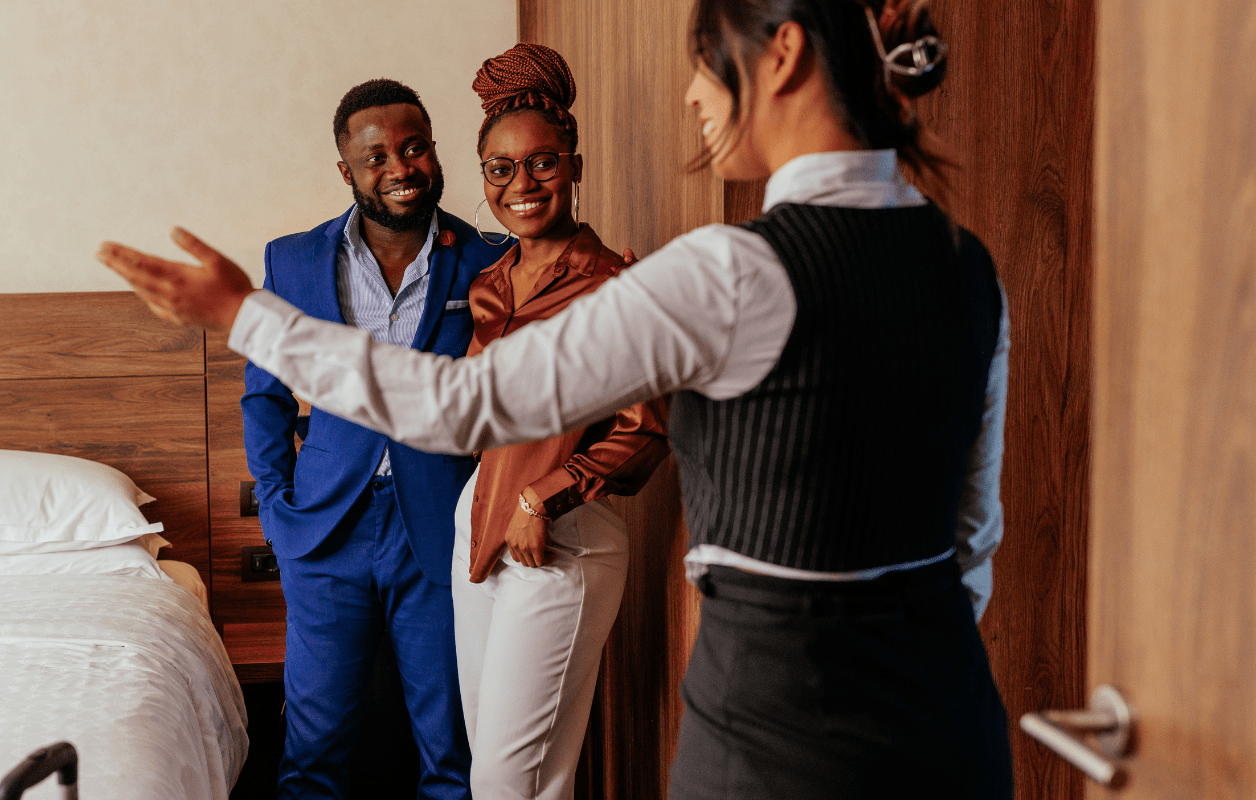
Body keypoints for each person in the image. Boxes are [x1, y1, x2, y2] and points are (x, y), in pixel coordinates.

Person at [100, 0, 1013, 797]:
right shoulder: (968, 266)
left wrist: (242, 315)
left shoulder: (731, 270)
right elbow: (972, 533)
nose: (696, 97)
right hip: (951, 709)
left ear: (782, 56)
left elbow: (465, 405)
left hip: (780, 721)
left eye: (705, 65)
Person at [240, 78, 506, 799]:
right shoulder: (293, 261)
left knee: (453, 744)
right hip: (327, 530)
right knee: (313, 748)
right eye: (377, 155)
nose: (399, 168)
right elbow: (264, 395)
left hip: (441, 528)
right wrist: (276, 506)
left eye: (414, 147)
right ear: (347, 171)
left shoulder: (487, 259)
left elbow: (506, 398)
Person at [450, 44, 670, 800]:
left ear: (574, 164)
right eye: (500, 169)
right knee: (499, 769)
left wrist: (544, 495)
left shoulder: (613, 285)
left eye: (542, 164)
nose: (521, 184)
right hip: (476, 522)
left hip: (560, 537)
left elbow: (648, 428)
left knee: (514, 783)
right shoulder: (488, 284)